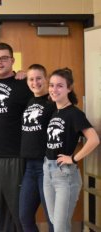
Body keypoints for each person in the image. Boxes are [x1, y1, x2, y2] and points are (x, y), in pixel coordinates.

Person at [43, 68, 99, 231]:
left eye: (60, 86)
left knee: (60, 227)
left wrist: (73, 158)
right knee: (55, 222)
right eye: (51, 85)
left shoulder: (74, 114)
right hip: (48, 171)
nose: (54, 89)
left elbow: (94, 139)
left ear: (69, 88)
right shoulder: (55, 111)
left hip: (64, 175)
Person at [0, 42, 32, 232]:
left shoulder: (24, 84)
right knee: (0, 209)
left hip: (16, 157)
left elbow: (45, 89)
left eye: (4, 58)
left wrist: (27, 73)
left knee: (18, 212)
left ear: (12, 60)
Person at [18, 64, 55, 231]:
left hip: (46, 166)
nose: (35, 82)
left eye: (39, 78)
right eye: (31, 79)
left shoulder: (53, 102)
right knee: (24, 216)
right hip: (29, 167)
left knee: (52, 218)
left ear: (46, 79)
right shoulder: (30, 100)